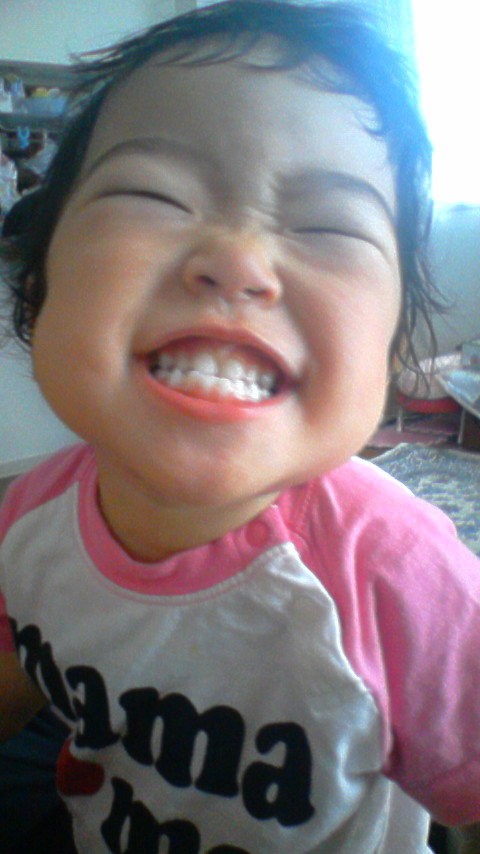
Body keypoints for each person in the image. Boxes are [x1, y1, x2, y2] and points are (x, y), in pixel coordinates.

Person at [0, 2, 479, 852]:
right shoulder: (26, 523)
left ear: (389, 354)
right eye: (153, 195)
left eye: (329, 227)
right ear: (37, 291)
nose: (238, 261)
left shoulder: (407, 583)